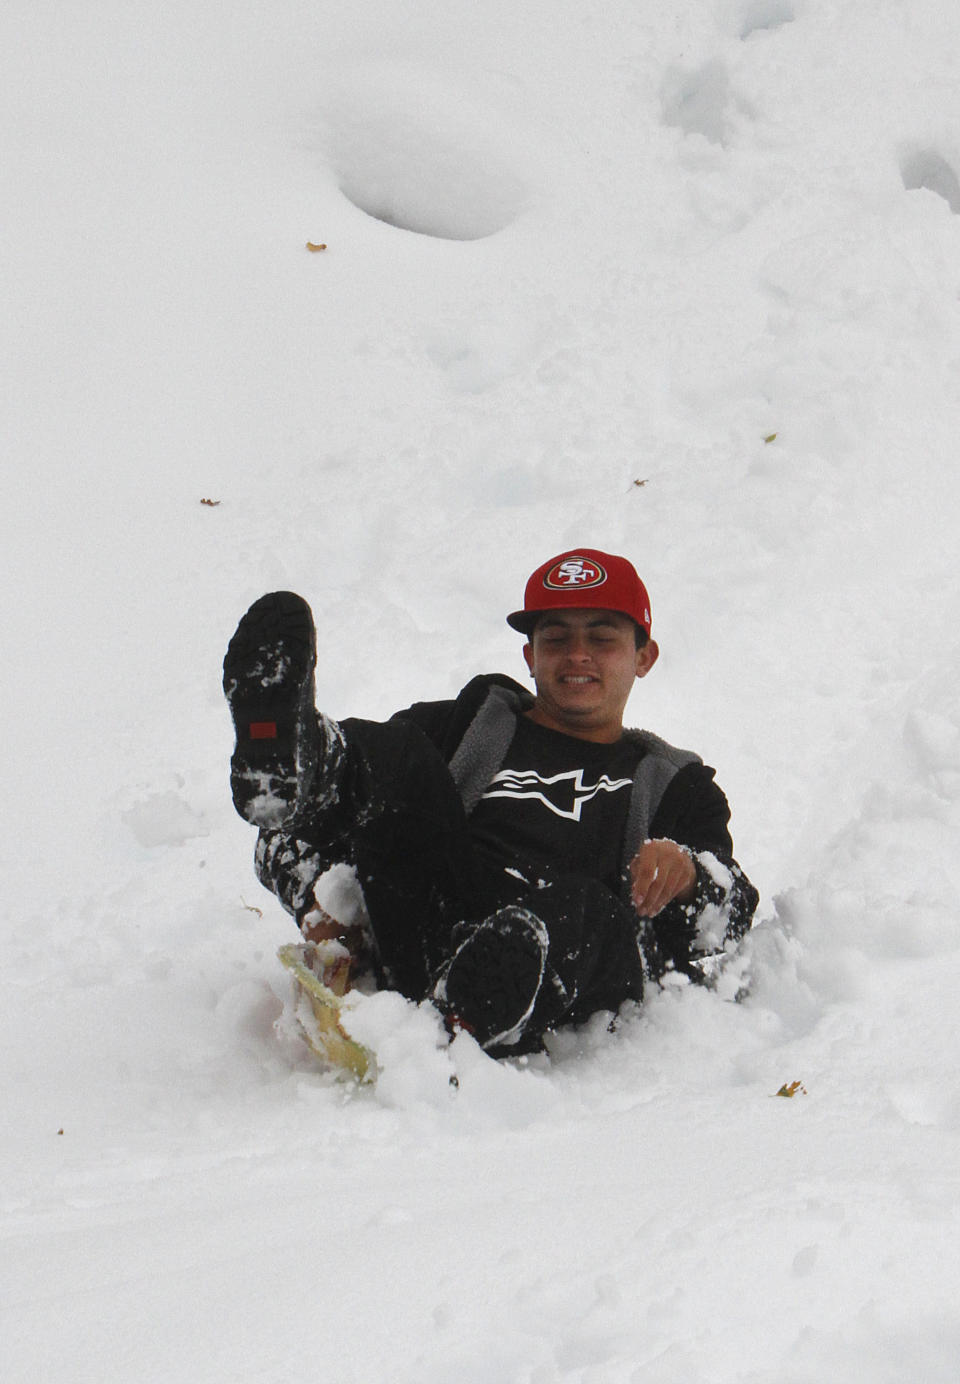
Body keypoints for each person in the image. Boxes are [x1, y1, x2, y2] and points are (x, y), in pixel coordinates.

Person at [222, 548, 757, 1056]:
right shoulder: (464, 727)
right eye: (556, 638)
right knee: (396, 757)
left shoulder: (673, 782)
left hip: (567, 964)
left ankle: (456, 1022)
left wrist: (687, 876)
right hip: (435, 926)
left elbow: (729, 920)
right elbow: (283, 830)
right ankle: (297, 740)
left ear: (644, 656)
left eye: (602, 638)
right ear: (530, 655)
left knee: (587, 908)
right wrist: (321, 901)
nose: (577, 655)